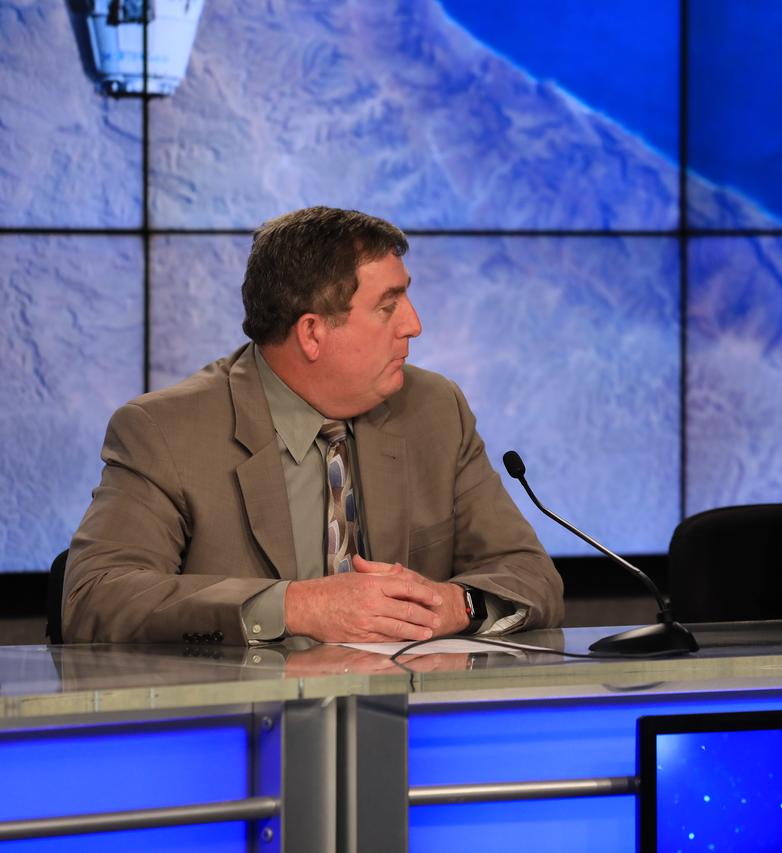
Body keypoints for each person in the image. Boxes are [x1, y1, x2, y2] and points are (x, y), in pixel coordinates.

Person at [63, 206, 563, 644]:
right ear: (312, 333)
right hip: (238, 731)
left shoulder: (435, 409)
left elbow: (530, 576)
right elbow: (95, 596)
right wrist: (299, 607)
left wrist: (457, 605)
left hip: (405, 728)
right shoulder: (166, 431)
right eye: (387, 306)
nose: (413, 324)